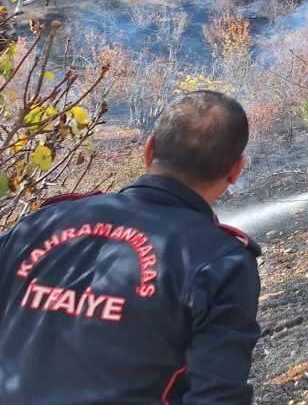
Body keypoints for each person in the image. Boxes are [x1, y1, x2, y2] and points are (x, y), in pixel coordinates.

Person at [0, 90, 261, 404]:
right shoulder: (222, 261)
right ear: (236, 169)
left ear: (148, 151)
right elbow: (218, 396)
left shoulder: (38, 224)